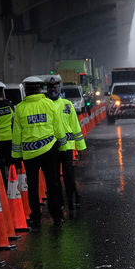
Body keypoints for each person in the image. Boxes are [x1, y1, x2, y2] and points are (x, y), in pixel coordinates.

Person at [12, 76, 66, 230]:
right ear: (40, 89)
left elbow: (17, 135)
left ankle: (36, 219)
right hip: (50, 149)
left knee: (33, 187)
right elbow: (58, 128)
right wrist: (63, 147)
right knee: (53, 184)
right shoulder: (49, 104)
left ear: (27, 90)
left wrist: (16, 157)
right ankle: (57, 217)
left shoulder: (20, 108)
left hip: (29, 154)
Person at [46, 75, 86, 217]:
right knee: (55, 179)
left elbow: (75, 127)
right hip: (52, 148)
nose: (53, 89)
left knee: (69, 177)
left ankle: (73, 200)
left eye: (56, 86)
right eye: (51, 87)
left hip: (68, 147)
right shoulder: (45, 105)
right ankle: (60, 204)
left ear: (60, 86)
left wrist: (80, 147)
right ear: (47, 88)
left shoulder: (67, 104)